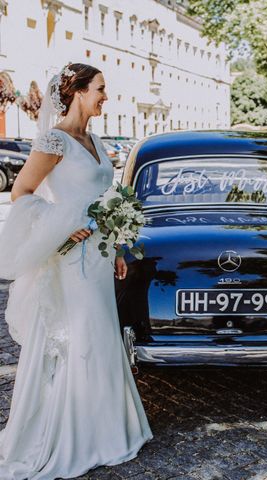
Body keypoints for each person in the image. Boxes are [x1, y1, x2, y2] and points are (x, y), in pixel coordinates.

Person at [0, 63, 152, 478]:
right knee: (79, 333)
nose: (106, 97)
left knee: (102, 331)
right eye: (101, 89)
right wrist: (67, 223)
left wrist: (119, 245)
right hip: (70, 255)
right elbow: (22, 193)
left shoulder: (96, 139)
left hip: (100, 256)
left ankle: (108, 430)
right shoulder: (56, 139)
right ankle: (72, 433)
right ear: (79, 92)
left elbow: (105, 196)